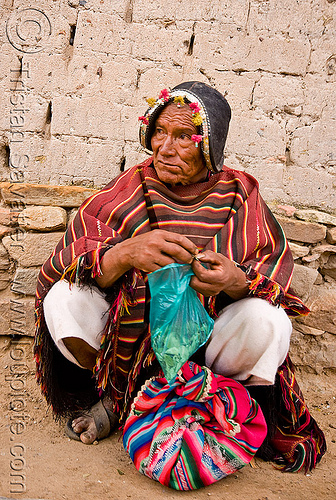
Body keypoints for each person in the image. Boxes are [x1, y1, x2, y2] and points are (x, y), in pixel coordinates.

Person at [34, 81, 325, 472]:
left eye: (184, 136)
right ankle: (118, 396)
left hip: (209, 347)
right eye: (159, 132)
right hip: (127, 345)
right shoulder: (131, 185)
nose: (165, 148)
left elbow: (269, 274)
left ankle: (210, 398)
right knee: (63, 298)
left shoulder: (240, 193)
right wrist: (125, 254)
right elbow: (74, 256)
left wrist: (233, 280)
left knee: (268, 320)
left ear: (210, 146)